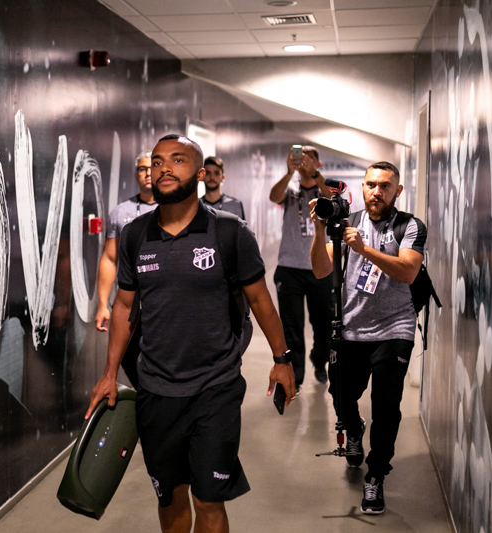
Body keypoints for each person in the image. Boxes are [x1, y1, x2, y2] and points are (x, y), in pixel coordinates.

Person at [86, 134, 295, 533]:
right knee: (171, 496)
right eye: (159, 161)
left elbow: (260, 300)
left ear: (200, 174)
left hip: (215, 387)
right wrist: (110, 372)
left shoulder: (230, 233)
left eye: (177, 160)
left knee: (208, 498)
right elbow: (126, 306)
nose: (164, 168)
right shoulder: (134, 235)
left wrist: (282, 360)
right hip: (156, 389)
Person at [309, 161, 426, 515]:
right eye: (371, 185)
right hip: (351, 328)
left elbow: (407, 271)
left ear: (397, 191)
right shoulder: (346, 223)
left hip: (395, 328)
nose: (377, 191)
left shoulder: (410, 226)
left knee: (386, 406)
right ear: (362, 188)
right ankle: (355, 427)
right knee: (341, 395)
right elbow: (320, 269)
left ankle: (376, 476)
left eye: (385, 186)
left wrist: (363, 250)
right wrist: (319, 231)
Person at [269, 145, 333, 391]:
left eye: (309, 159)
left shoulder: (323, 188)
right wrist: (289, 172)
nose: (303, 162)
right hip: (289, 268)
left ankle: (319, 361)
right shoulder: (290, 189)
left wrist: (315, 176)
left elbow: (332, 197)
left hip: (320, 267)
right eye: (299, 157)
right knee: (292, 325)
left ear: (317, 164)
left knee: (323, 323)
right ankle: (296, 375)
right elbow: (274, 196)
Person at [95, 152, 158, 332]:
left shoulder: (173, 210)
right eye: (142, 169)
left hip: (163, 302)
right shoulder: (120, 212)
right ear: (136, 175)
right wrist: (102, 305)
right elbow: (109, 258)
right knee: (128, 357)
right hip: (128, 301)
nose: (147, 173)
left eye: (152, 168)